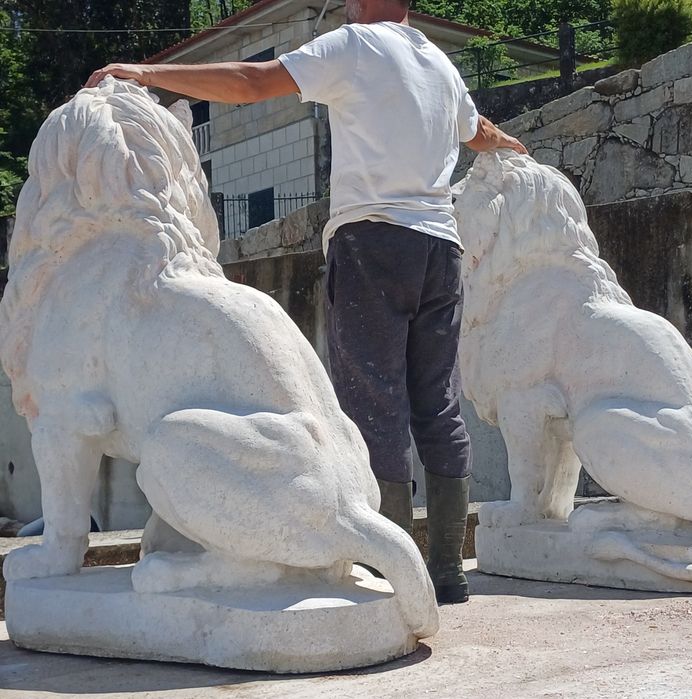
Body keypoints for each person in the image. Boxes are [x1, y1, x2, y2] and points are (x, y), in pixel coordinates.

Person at [86, 0, 526, 604]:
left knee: (375, 403)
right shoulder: (439, 63)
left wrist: (147, 74)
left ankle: (391, 570)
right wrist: (512, 146)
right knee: (439, 405)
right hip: (440, 249)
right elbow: (477, 133)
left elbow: (252, 82)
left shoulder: (354, 45)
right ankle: (447, 573)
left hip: (373, 239)